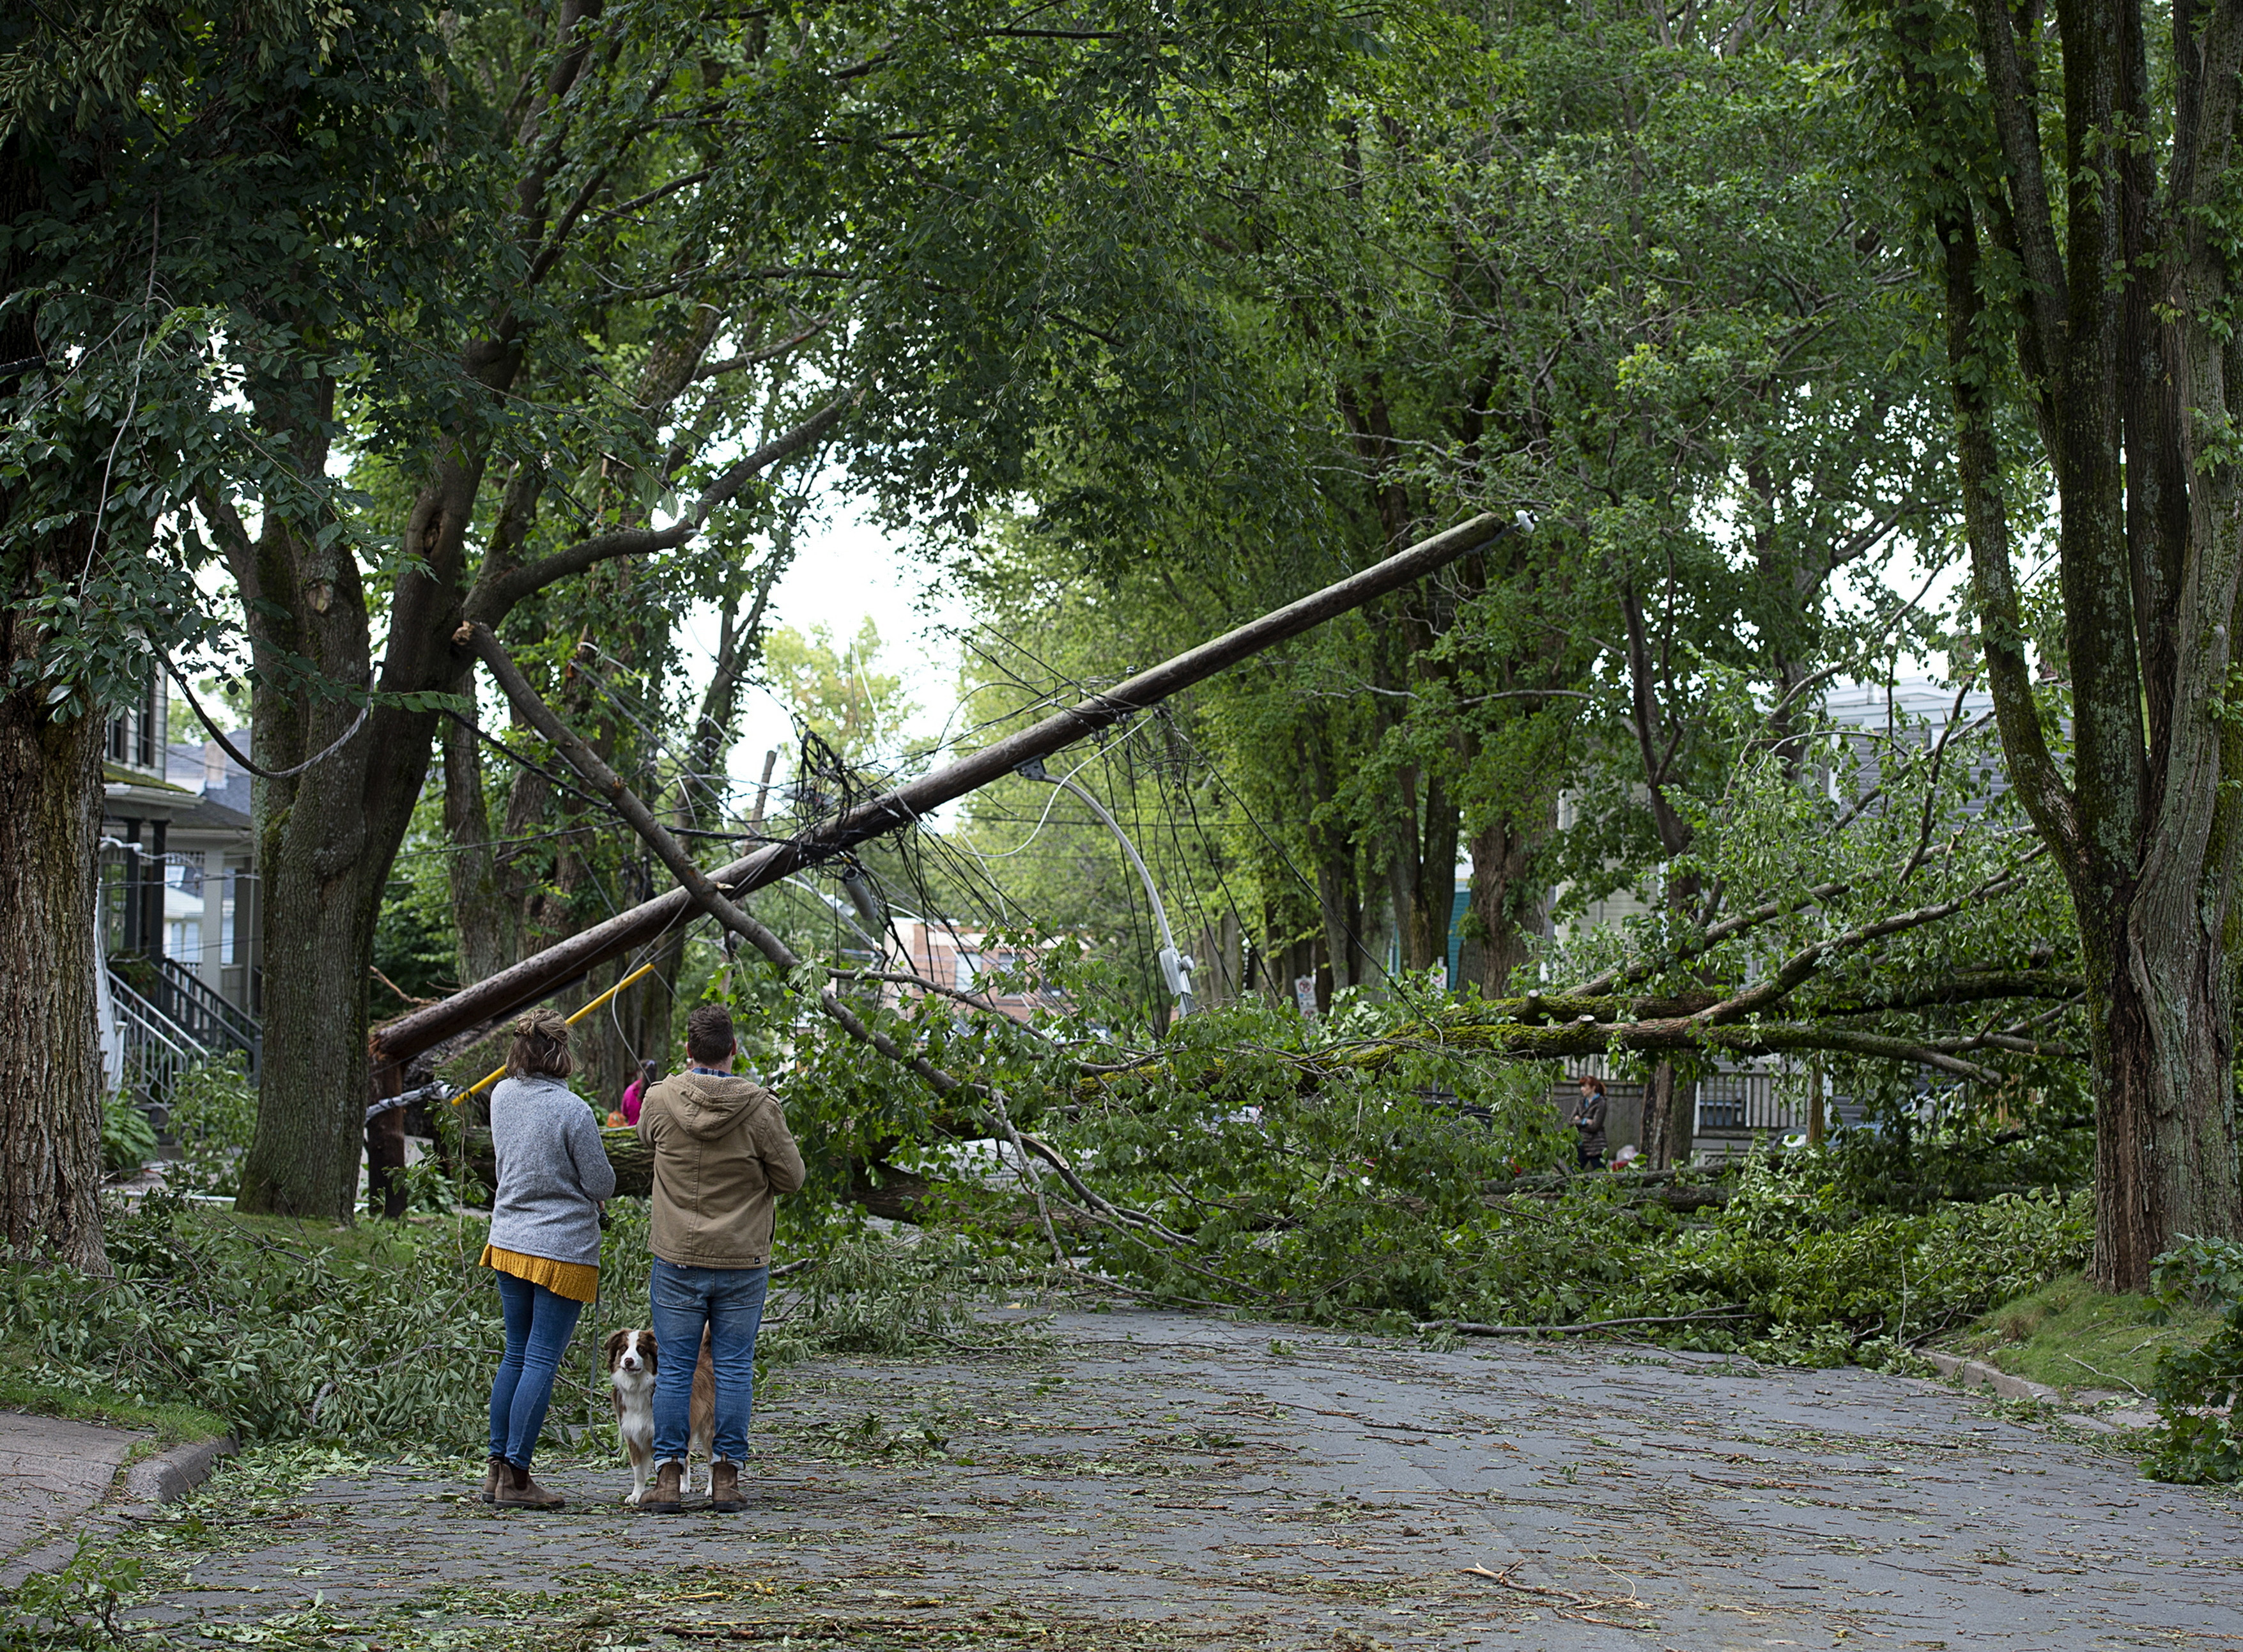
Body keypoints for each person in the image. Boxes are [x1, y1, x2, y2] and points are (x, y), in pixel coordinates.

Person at [635, 1003, 804, 1514]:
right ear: (734, 1049)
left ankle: (667, 1479)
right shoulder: (760, 1109)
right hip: (742, 1261)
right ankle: (726, 1479)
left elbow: (646, 1140)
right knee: (733, 1368)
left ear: (688, 1051)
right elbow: (792, 1177)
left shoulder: (660, 1100)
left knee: (677, 1366)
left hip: (677, 1259)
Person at [479, 1008, 615, 1511]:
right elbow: (601, 1183)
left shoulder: (501, 1096)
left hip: (509, 1239)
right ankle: (518, 1477)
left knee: (515, 1353)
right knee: (540, 1358)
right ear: (561, 1053)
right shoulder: (573, 1110)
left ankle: (497, 1469)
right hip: (561, 1248)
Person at [1573, 1074, 1609, 1171]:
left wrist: (1579, 1121)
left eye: (1585, 1087)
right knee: (1571, 1174)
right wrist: (1585, 1121)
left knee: (1602, 1176)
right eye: (1581, 1086)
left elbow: (1595, 1127)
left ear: (1593, 1088)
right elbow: (1571, 1122)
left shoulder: (1601, 1103)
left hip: (1596, 1146)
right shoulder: (1580, 1102)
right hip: (1581, 1145)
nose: (1582, 1089)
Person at [620, 1058, 657, 1127]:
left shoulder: (630, 1091)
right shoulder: (659, 1091)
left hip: (633, 1132)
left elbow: (625, 1113)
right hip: (653, 1134)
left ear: (639, 1072)